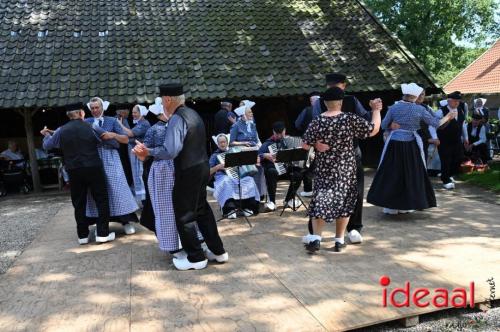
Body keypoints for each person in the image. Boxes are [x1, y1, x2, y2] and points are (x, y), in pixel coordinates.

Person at [133, 83, 227, 271]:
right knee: (202, 211)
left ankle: (196, 258)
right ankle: (218, 251)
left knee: (184, 215)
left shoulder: (177, 118)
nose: (161, 104)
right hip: (202, 167)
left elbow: (171, 150)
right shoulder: (194, 114)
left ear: (168, 99)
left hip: (188, 170)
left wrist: (147, 151)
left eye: (161, 100)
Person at [303, 73, 382, 245]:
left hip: (330, 163)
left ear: (343, 86)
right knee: (345, 198)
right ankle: (338, 239)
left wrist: (313, 142)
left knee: (322, 197)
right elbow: (372, 129)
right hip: (346, 163)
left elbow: (304, 143)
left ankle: (323, 235)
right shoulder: (348, 118)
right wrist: (377, 111)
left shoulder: (323, 116)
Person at [367, 83, 456, 214]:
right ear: (415, 96)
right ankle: (408, 204)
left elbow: (384, 125)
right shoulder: (419, 110)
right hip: (411, 145)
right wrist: (448, 116)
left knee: (392, 173)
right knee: (411, 173)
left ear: (404, 95)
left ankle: (390, 206)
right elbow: (436, 123)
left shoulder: (394, 108)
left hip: (394, 144)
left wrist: (392, 126)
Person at [41, 103, 115, 244]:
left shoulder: (61, 130)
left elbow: (47, 146)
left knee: (78, 202)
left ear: (68, 115)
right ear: (81, 113)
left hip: (74, 169)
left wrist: (45, 135)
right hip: (93, 166)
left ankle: (82, 236)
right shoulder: (91, 126)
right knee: (101, 200)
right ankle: (102, 233)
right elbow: (104, 141)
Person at [85, 97, 139, 234]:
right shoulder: (86, 122)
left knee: (118, 188)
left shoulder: (112, 121)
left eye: (97, 107)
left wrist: (113, 135)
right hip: (94, 157)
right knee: (96, 191)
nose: (95, 110)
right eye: (92, 108)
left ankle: (126, 221)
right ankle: (99, 222)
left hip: (111, 157)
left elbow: (126, 140)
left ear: (102, 107)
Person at [209, 134, 260, 218]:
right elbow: (208, 171)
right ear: (217, 144)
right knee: (227, 181)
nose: (222, 144)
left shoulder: (234, 151)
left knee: (248, 179)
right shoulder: (214, 156)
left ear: (227, 143)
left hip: (237, 175)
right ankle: (229, 209)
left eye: (224, 142)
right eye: (220, 143)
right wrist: (218, 167)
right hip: (222, 177)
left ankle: (246, 207)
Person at [258, 121, 304, 211]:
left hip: (287, 169)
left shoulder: (289, 140)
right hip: (274, 170)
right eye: (277, 134)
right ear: (273, 132)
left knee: (298, 175)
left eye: (281, 134)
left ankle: (288, 200)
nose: (279, 136)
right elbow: (257, 155)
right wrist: (264, 155)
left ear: (285, 131)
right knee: (271, 172)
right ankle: (272, 202)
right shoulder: (268, 143)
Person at [118, 104, 151, 203]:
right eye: (132, 112)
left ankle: (144, 201)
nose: (133, 114)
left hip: (140, 154)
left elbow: (130, 134)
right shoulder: (139, 124)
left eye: (135, 112)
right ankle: (142, 200)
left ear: (141, 113)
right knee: (138, 176)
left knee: (140, 175)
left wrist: (120, 124)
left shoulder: (144, 123)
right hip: (137, 153)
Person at [436, 91, 467, 190]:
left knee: (458, 158)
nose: (457, 103)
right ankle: (445, 180)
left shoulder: (461, 110)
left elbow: (463, 124)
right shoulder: (441, 111)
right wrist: (448, 118)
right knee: (446, 160)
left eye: (458, 101)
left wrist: (466, 138)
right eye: (454, 101)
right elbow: (436, 125)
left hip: (457, 140)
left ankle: (449, 175)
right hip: (444, 140)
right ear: (449, 101)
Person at [295, 91, 321, 197]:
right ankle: (322, 190)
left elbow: (297, 124)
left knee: (307, 165)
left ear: (311, 101)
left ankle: (308, 190)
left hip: (309, 143)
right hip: (324, 144)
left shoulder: (307, 110)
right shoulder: (328, 111)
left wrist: (305, 131)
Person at [115, 106, 134, 188]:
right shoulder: (116, 120)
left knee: (126, 163)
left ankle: (128, 182)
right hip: (120, 146)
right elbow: (127, 133)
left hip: (124, 146)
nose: (129, 113)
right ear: (121, 112)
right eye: (127, 111)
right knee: (123, 164)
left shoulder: (124, 119)